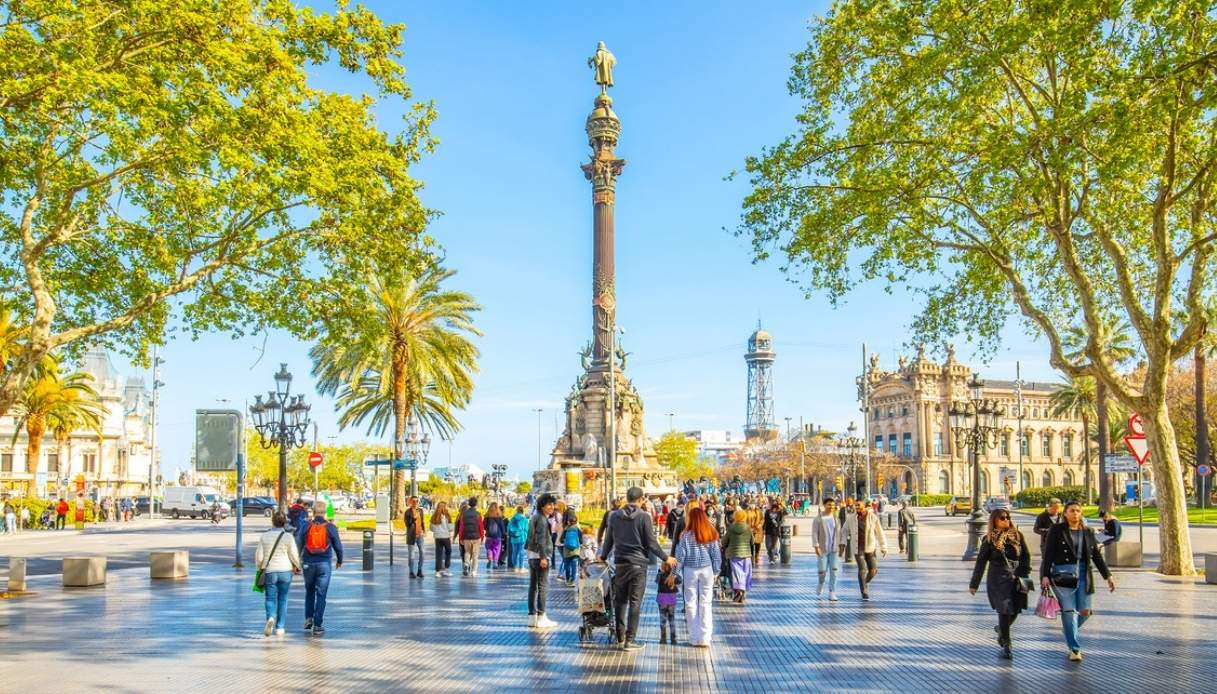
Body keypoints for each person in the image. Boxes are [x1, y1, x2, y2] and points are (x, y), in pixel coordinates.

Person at [599, 486, 678, 651]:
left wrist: (603, 556)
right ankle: (630, 640)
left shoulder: (614, 516)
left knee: (620, 600)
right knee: (635, 602)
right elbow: (650, 543)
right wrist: (666, 558)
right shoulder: (644, 517)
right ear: (641, 499)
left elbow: (609, 540)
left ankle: (620, 638)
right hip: (638, 564)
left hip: (620, 563)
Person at [1040, 500, 1116, 661]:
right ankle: (1074, 648)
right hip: (1063, 574)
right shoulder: (1057, 530)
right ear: (1065, 513)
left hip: (1083, 574)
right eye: (1072, 511)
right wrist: (1044, 575)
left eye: (1078, 511)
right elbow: (1048, 554)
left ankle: (1069, 629)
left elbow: (1096, 556)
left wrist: (1108, 576)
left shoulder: (1087, 531)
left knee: (1085, 611)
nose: (1075, 513)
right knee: (1069, 611)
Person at [969, 509, 1032, 659]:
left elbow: (1026, 556)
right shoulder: (989, 539)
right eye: (1002, 518)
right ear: (994, 521)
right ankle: (1007, 644)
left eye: (1008, 517)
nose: (1006, 520)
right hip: (998, 579)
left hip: (1017, 577)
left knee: (1017, 609)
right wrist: (974, 584)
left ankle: (1001, 631)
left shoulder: (1017, 535)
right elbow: (981, 563)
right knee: (1004, 610)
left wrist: (1025, 573)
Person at [673, 506, 722, 647]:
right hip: (707, 570)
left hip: (690, 570)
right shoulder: (710, 532)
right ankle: (705, 638)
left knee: (690, 603)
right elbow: (716, 555)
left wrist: (674, 573)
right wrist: (716, 572)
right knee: (706, 603)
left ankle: (694, 637)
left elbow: (680, 557)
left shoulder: (685, 536)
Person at [295, 501, 343, 636]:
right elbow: (338, 546)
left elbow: (298, 543)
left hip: (308, 564)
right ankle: (317, 625)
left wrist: (296, 562)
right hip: (324, 564)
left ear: (313, 511)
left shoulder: (305, 526)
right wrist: (339, 560)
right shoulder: (331, 527)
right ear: (324, 512)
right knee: (321, 594)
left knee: (309, 591)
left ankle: (308, 618)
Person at [256, 511, 302, 637]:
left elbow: (259, 557)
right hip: (285, 571)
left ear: (272, 521)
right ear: (284, 523)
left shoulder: (264, 536)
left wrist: (260, 568)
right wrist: (297, 566)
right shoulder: (288, 537)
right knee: (283, 599)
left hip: (270, 571)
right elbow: (293, 554)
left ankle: (270, 617)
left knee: (270, 598)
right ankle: (280, 627)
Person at [843, 497, 887, 601]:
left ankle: (864, 582)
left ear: (863, 506)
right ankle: (864, 591)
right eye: (855, 505)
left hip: (870, 547)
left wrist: (883, 546)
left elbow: (880, 532)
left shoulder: (872, 517)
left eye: (859, 505)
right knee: (862, 569)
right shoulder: (851, 518)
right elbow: (844, 530)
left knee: (873, 570)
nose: (856, 507)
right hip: (858, 548)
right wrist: (842, 543)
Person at [525, 493, 558, 629]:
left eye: (553, 504)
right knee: (542, 586)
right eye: (549, 504)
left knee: (533, 586)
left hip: (532, 555)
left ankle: (532, 617)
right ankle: (541, 616)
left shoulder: (534, 517)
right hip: (540, 556)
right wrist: (544, 557)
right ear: (542, 505)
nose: (552, 507)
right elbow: (541, 540)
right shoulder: (543, 520)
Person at [812, 498, 842, 601]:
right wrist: (816, 546)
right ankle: (820, 583)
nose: (831, 507)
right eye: (829, 505)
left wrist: (841, 545)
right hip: (822, 549)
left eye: (833, 505)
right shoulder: (818, 519)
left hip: (834, 549)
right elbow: (814, 533)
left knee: (834, 571)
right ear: (824, 505)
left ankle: (832, 592)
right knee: (822, 571)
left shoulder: (836, 519)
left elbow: (839, 533)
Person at [724, 506, 753, 603]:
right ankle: (743, 591)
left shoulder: (731, 528)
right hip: (746, 555)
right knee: (745, 573)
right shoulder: (748, 528)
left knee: (735, 574)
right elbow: (752, 541)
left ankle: (737, 591)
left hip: (733, 554)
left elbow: (724, 542)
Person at [455, 496, 485, 577]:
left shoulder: (463, 514)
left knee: (467, 552)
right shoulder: (478, 514)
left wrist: (460, 538)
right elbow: (481, 527)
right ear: (476, 504)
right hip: (476, 537)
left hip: (466, 537)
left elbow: (461, 527)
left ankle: (466, 563)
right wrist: (482, 537)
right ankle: (474, 571)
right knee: (475, 555)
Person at [655, 559, 681, 645]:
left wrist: (660, 571)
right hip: (671, 600)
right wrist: (675, 573)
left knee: (663, 620)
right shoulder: (673, 577)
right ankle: (673, 639)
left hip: (662, 600)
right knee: (672, 619)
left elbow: (656, 581)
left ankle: (663, 638)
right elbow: (680, 580)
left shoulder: (660, 575)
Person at [403, 496, 427, 579]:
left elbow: (422, 521)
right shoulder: (407, 512)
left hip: (420, 535)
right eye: (413, 501)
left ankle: (420, 570)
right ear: (410, 502)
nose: (415, 503)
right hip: (411, 535)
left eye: (417, 501)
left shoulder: (420, 511)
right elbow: (407, 524)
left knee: (422, 552)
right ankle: (411, 572)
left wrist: (424, 530)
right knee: (411, 555)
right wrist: (413, 518)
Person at [430, 501, 453, 577]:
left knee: (438, 554)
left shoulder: (434, 516)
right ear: (444, 507)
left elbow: (431, 528)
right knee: (448, 552)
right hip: (445, 537)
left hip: (437, 537)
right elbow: (450, 528)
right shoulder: (447, 516)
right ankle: (446, 569)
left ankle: (437, 571)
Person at [484, 502, 506, 570]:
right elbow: (502, 527)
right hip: (497, 536)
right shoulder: (499, 516)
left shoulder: (486, 516)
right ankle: (495, 562)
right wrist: (503, 534)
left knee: (489, 548)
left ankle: (490, 559)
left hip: (489, 536)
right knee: (497, 549)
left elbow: (484, 526)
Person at [507, 505, 530, 573]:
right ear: (523, 511)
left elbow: (508, 528)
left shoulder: (512, 518)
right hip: (522, 538)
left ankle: (515, 567)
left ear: (517, 511)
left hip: (513, 538)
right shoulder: (525, 519)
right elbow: (527, 530)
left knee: (514, 552)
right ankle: (521, 567)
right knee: (521, 552)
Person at [763, 500, 785, 564]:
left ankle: (771, 558)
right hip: (768, 531)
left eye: (776, 506)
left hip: (776, 532)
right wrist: (763, 529)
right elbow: (765, 521)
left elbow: (781, 520)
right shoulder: (767, 512)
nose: (774, 508)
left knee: (773, 546)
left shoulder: (779, 512)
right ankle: (771, 557)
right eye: (773, 506)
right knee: (768, 546)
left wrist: (778, 524)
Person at [560, 518, 582, 584]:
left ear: (569, 522)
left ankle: (567, 579)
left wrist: (566, 541)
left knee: (567, 566)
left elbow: (561, 540)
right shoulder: (578, 530)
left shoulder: (566, 529)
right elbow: (581, 541)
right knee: (574, 566)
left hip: (567, 551)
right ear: (576, 522)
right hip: (575, 551)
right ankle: (572, 581)